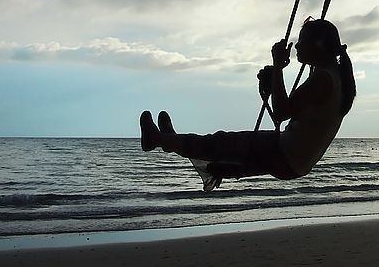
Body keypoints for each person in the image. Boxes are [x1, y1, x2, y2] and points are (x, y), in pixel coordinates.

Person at [140, 18, 356, 191]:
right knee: (225, 159)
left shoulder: (323, 79)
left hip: (285, 153)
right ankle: (170, 141)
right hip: (296, 160)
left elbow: (281, 112)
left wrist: (278, 67)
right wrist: (274, 79)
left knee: (219, 144)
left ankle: (160, 139)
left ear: (319, 45)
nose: (297, 45)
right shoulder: (334, 74)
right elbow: (294, 109)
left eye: (303, 41)